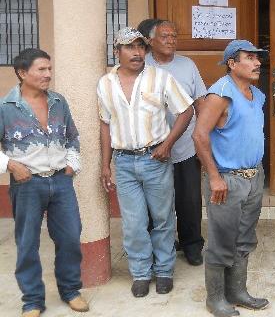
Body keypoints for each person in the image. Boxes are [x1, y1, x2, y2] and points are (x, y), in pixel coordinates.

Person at [97, 27, 193, 297]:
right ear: (117, 52)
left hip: (155, 159)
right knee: (134, 221)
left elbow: (186, 110)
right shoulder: (105, 84)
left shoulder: (160, 78)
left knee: (163, 218)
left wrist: (167, 144)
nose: (137, 52)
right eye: (130, 47)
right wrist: (106, 165)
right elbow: (105, 124)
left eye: (141, 47)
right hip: (124, 162)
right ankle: (140, 272)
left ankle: (164, 270)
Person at [0, 48, 88, 316]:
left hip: (61, 181)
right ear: (22, 73)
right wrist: (11, 165)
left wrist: (72, 165)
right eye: (41, 69)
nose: (48, 74)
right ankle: (32, 301)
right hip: (27, 185)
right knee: (28, 243)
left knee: (71, 237)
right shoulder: (6, 107)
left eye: (49, 69)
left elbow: (72, 136)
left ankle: (71, 290)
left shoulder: (58, 102)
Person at [193, 39, 269, 317]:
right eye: (249, 58)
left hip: (253, 176)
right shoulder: (220, 94)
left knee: (245, 238)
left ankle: (237, 291)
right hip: (226, 179)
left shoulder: (256, 95)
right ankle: (215, 299)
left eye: (257, 58)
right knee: (222, 240)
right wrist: (214, 177)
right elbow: (199, 136)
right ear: (232, 64)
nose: (257, 62)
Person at [142, 19, 208, 266]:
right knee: (154, 200)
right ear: (150, 41)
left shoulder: (187, 65)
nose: (171, 40)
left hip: (185, 146)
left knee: (189, 199)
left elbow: (200, 101)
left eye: (174, 36)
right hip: (151, 148)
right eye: (165, 36)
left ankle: (191, 245)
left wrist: (201, 135)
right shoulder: (142, 65)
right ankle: (159, 245)